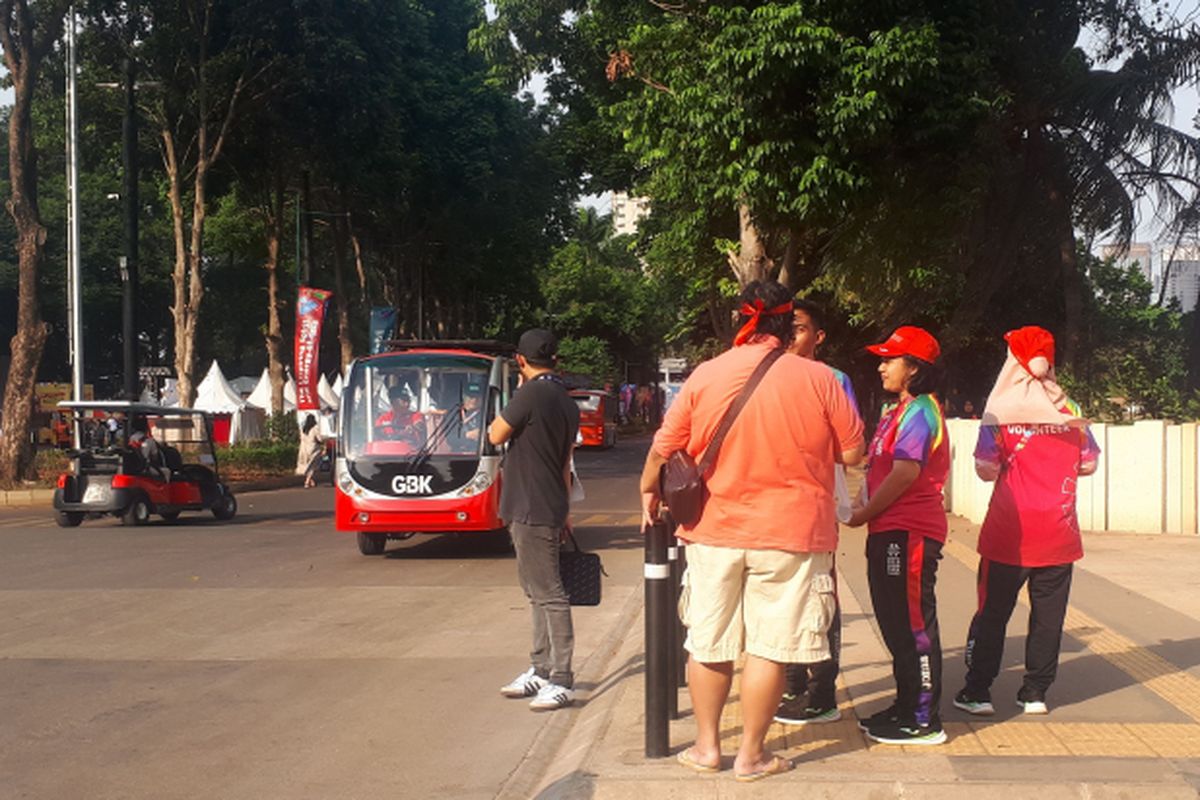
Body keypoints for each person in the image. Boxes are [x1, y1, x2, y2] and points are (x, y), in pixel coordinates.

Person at [640, 281, 864, 782]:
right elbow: (852, 454)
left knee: (709, 641)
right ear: (788, 325)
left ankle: (705, 748)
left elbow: (664, 448)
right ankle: (752, 756)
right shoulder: (821, 378)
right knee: (769, 645)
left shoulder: (706, 374)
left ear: (744, 319)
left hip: (713, 529)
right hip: (792, 532)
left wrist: (647, 492)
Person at [954, 326, 1100, 717]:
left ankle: (978, 690)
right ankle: (1035, 693)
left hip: (1009, 533)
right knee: (1049, 617)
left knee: (992, 613)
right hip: (1059, 531)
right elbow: (1089, 463)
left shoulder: (999, 414)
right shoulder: (1069, 412)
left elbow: (986, 469)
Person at [846, 325, 950, 745]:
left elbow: (905, 472)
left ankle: (924, 718)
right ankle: (906, 704)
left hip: (909, 532)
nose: (881, 365)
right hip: (887, 529)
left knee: (912, 622)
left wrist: (863, 513)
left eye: (890, 359)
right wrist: (859, 507)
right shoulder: (896, 412)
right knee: (893, 622)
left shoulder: (922, 411)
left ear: (915, 368)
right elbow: (877, 469)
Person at [774, 299, 861, 727]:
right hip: (773, 504)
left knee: (819, 593)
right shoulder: (766, 374)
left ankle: (822, 691)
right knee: (781, 593)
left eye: (802, 329)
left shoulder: (834, 380)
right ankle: (792, 684)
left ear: (819, 337)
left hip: (816, 502)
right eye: (787, 328)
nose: (793, 337)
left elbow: (849, 448)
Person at [489, 329, 581, 712]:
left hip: (529, 506)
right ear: (555, 359)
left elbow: (496, 435)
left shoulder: (530, 393)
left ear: (520, 361)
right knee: (538, 591)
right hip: (548, 504)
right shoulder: (566, 401)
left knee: (548, 593)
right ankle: (541, 668)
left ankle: (561, 677)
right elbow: (565, 464)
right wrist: (565, 512)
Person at [296, 413, 324, 488]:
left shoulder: (303, 429)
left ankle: (311, 481)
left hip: (304, 448)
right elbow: (319, 438)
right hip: (313, 449)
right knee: (313, 466)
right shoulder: (315, 428)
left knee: (307, 465)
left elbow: (300, 438)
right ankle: (307, 482)